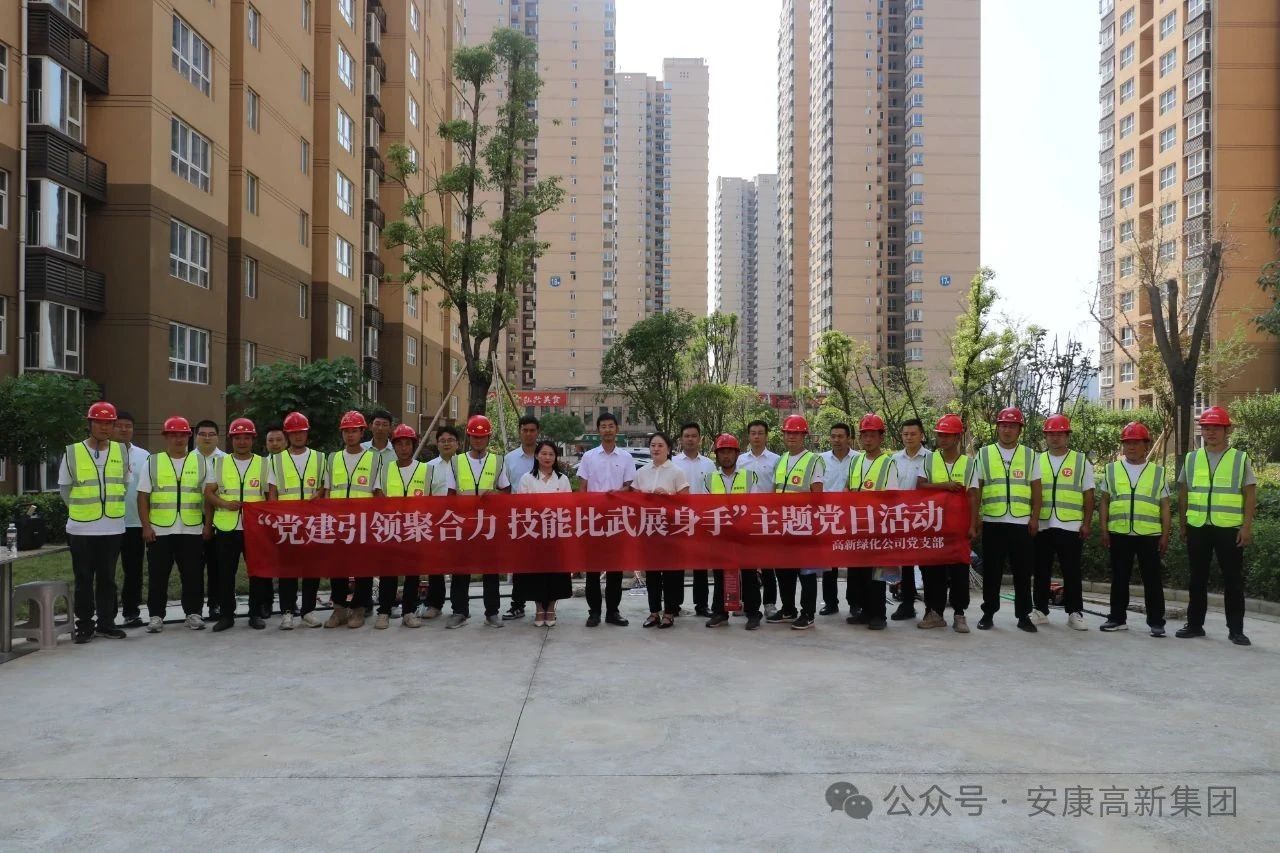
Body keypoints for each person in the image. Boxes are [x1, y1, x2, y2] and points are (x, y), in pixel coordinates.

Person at [1176, 406, 1257, 646]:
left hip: (1228, 528)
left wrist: (1246, 527)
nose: (1210, 432)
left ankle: (1236, 630)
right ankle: (1194, 625)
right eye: (1206, 428)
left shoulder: (1240, 459)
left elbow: (1250, 495)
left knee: (1233, 580)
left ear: (1226, 430)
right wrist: (1183, 525)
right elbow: (1183, 493)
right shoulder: (1192, 458)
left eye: (1216, 428)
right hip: (1198, 526)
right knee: (1197, 579)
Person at [60, 402, 130, 644]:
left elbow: (124, 484)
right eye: (99, 422)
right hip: (81, 528)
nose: (104, 427)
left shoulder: (121, 451)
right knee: (83, 578)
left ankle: (106, 623)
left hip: (112, 526)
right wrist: (83, 512)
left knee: (108, 578)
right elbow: (65, 489)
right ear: (89, 424)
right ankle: (85, 625)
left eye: (109, 423)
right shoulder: (73, 452)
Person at [970, 406, 1042, 632]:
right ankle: (988, 613)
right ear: (997, 428)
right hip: (993, 521)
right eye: (1003, 425)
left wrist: (1035, 518)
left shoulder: (1030, 455)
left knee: (1023, 572)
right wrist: (976, 518)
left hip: (1021, 522)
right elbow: (976, 489)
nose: (1007, 430)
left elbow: (1037, 489)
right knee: (992, 572)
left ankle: (1024, 616)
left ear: (1019, 429)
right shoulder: (984, 454)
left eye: (1012, 426)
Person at [1098, 421, 1169, 637]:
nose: (1131, 447)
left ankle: (1156, 622)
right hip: (1119, 533)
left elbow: (1165, 505)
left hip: (1149, 534)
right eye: (1127, 442)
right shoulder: (1111, 470)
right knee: (1119, 578)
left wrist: (1165, 535)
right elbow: (1104, 501)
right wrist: (1103, 529)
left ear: (1146, 445)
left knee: (1152, 580)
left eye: (1136, 442)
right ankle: (1117, 618)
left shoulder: (1157, 472)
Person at [138, 416, 209, 633]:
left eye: (182, 435)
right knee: (158, 575)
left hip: (192, 529)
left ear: (189, 437)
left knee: (193, 574)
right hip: (160, 530)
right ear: (166, 437)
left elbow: (208, 496)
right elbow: (142, 497)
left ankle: (194, 613)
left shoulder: (200, 462)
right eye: (173, 435)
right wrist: (146, 526)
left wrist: (208, 525)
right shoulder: (153, 462)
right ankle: (156, 616)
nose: (178, 439)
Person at [203, 418, 269, 631]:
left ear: (253, 439)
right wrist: (224, 504)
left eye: (246, 437)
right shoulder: (219, 463)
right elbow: (208, 493)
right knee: (225, 573)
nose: (242, 442)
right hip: (226, 528)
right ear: (231, 440)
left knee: (256, 572)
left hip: (255, 528)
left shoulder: (264, 464)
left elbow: (270, 496)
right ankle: (226, 615)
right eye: (237, 438)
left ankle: (255, 613)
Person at [447, 414, 509, 629]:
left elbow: (506, 491)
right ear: (469, 437)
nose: (478, 440)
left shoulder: (497, 461)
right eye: (474, 436)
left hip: (488, 524)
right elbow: (450, 494)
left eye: (482, 437)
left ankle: (492, 612)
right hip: (463, 524)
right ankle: (459, 611)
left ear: (489, 437)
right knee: (460, 570)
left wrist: (496, 495)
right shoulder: (457, 461)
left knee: (490, 570)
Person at [325, 410, 385, 628]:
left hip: (363, 523)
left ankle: (359, 609)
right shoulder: (333, 458)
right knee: (337, 568)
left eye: (354, 431)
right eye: (346, 431)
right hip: (338, 523)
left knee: (363, 568)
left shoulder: (374, 459)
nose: (350, 435)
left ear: (362, 432)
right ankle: (339, 609)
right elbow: (327, 491)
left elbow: (378, 492)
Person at [1033, 414, 1094, 630]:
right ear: (1045, 436)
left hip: (1070, 524)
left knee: (1072, 571)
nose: (1055, 437)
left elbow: (1089, 494)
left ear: (1067, 435)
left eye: (1059, 433)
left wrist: (1087, 523)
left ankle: (1075, 612)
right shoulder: (1037, 460)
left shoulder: (1080, 461)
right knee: (1041, 570)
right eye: (1051, 434)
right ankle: (1040, 610)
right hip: (1043, 524)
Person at [267, 411, 327, 629]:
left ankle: (308, 611)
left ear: (307, 433)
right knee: (288, 570)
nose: (298, 436)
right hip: (287, 523)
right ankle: (287, 611)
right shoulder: (276, 460)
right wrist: (276, 519)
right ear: (287, 435)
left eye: (301, 432)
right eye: (293, 432)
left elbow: (325, 486)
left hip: (312, 523)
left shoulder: (320, 458)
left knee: (311, 569)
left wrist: (318, 494)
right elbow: (272, 492)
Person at [575, 412, 635, 627]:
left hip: (617, 519)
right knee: (592, 569)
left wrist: (618, 492)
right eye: (603, 426)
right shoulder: (589, 457)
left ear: (617, 429)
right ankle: (594, 612)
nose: (607, 430)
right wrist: (583, 515)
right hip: (594, 518)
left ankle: (613, 611)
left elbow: (631, 487)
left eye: (611, 426)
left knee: (615, 570)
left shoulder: (626, 457)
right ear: (598, 430)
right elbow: (582, 488)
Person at [917, 414, 975, 633]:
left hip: (958, 527)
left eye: (947, 435)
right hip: (933, 525)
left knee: (959, 570)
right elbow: (921, 486)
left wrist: (973, 524)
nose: (942, 439)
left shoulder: (969, 463)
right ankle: (935, 612)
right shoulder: (929, 460)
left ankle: (959, 614)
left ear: (958, 437)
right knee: (933, 571)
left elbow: (973, 495)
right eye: (940, 435)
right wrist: (945, 485)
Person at [767, 414, 825, 630]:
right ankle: (788, 609)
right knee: (784, 571)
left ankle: (808, 613)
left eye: (796, 433)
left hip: (804, 526)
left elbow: (817, 495)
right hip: (782, 525)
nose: (791, 436)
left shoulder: (813, 460)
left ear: (804, 436)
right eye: (788, 433)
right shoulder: (781, 459)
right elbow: (774, 491)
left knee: (806, 573)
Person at [846, 413, 899, 630]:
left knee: (877, 575)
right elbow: (848, 490)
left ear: (881, 437)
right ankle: (865, 611)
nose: (867, 440)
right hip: (857, 526)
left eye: (872, 435)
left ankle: (879, 615)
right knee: (859, 573)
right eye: (864, 435)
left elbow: (892, 498)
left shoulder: (888, 463)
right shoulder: (855, 461)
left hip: (878, 527)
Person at [703, 434, 761, 629]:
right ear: (717, 455)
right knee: (720, 574)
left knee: (749, 574)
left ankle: (753, 613)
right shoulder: (709, 479)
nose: (726, 456)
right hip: (720, 534)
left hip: (744, 534)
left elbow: (754, 504)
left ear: (737, 454)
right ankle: (720, 613)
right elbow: (705, 507)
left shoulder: (750, 476)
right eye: (722, 452)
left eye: (730, 452)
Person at [514, 440, 575, 626]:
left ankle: (551, 609)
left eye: (551, 454)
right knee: (536, 573)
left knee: (555, 573)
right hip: (534, 533)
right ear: (537, 456)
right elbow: (521, 506)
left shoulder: (562, 479)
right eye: (544, 453)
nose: (547, 457)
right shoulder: (527, 479)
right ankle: (539, 608)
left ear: (555, 457)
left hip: (556, 533)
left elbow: (568, 506)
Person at [377, 423, 431, 629]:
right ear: (394, 446)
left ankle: (409, 611)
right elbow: (378, 495)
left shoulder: (425, 470)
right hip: (391, 527)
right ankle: (384, 611)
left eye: (407, 443)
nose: (403, 448)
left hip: (415, 527)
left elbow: (433, 500)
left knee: (412, 573)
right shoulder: (385, 470)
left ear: (413, 445)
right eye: (399, 444)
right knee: (388, 573)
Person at [634, 432, 690, 628]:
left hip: (671, 530)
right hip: (650, 529)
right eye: (653, 445)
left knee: (671, 573)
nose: (656, 449)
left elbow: (685, 501)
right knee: (652, 573)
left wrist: (668, 496)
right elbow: (634, 498)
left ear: (668, 449)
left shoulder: (677, 471)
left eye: (660, 445)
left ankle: (669, 612)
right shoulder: (642, 472)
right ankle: (653, 612)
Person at [672, 422, 717, 616]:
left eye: (693, 436)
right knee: (676, 565)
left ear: (700, 439)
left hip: (701, 520)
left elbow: (714, 491)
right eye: (686, 436)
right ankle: (674, 604)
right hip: (679, 520)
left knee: (701, 565)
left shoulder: (708, 464)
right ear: (681, 439)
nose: (690, 439)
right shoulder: (673, 462)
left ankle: (702, 604)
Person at [889, 418, 931, 620]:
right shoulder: (894, 459)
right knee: (905, 564)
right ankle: (907, 604)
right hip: (900, 518)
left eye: (913, 434)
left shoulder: (931, 458)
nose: (909, 437)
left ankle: (932, 608)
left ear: (921, 435)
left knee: (926, 564)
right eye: (905, 434)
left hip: (924, 518)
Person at [112, 411, 150, 629]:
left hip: (135, 523)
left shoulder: (144, 456)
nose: (124, 429)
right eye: (119, 425)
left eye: (128, 426)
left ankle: (131, 612)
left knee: (134, 571)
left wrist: (147, 523)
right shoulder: (102, 454)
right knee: (106, 572)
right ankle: (107, 615)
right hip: (107, 524)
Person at [739, 419, 781, 617]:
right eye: (753, 433)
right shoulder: (740, 460)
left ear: (766, 436)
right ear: (748, 436)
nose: (756, 436)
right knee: (746, 564)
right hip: (745, 518)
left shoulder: (776, 460)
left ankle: (770, 603)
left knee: (767, 563)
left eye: (760, 433)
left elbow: (777, 487)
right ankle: (746, 602)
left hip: (768, 517)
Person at [502, 415, 541, 620]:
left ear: (537, 432)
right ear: (519, 432)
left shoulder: (545, 455)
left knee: (542, 564)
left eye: (532, 430)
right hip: (519, 519)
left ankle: (543, 605)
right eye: (525, 430)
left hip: (544, 519)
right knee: (520, 565)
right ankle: (517, 605)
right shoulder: (509, 459)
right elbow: (505, 489)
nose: (528, 434)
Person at [419, 426, 460, 618]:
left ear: (457, 443)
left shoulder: (465, 464)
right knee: (435, 565)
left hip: (460, 521)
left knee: (459, 565)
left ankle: (460, 607)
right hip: (435, 520)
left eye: (450, 440)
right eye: (442, 440)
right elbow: (424, 494)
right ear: (437, 444)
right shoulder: (428, 467)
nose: (446, 443)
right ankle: (435, 604)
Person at [818, 423, 856, 617]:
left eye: (841, 436)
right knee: (828, 564)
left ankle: (855, 602)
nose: (836, 440)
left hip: (853, 517)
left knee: (854, 563)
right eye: (833, 436)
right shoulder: (820, 459)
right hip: (829, 516)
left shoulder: (859, 459)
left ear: (849, 438)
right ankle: (830, 602)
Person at [193, 420, 225, 621]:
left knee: (217, 566)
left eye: (211, 434)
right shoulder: (187, 459)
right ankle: (194, 610)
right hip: (191, 518)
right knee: (194, 568)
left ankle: (216, 605)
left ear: (217, 437)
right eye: (202, 434)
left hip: (219, 519)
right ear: (195, 436)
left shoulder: (226, 460)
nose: (206, 438)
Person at [257, 422, 288, 619]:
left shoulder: (291, 463)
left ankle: (288, 605)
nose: (275, 444)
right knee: (266, 564)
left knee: (288, 566)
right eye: (271, 440)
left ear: (286, 442)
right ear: (265, 443)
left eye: (279, 440)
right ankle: (265, 604)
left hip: (288, 522)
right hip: (265, 522)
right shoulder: (260, 464)